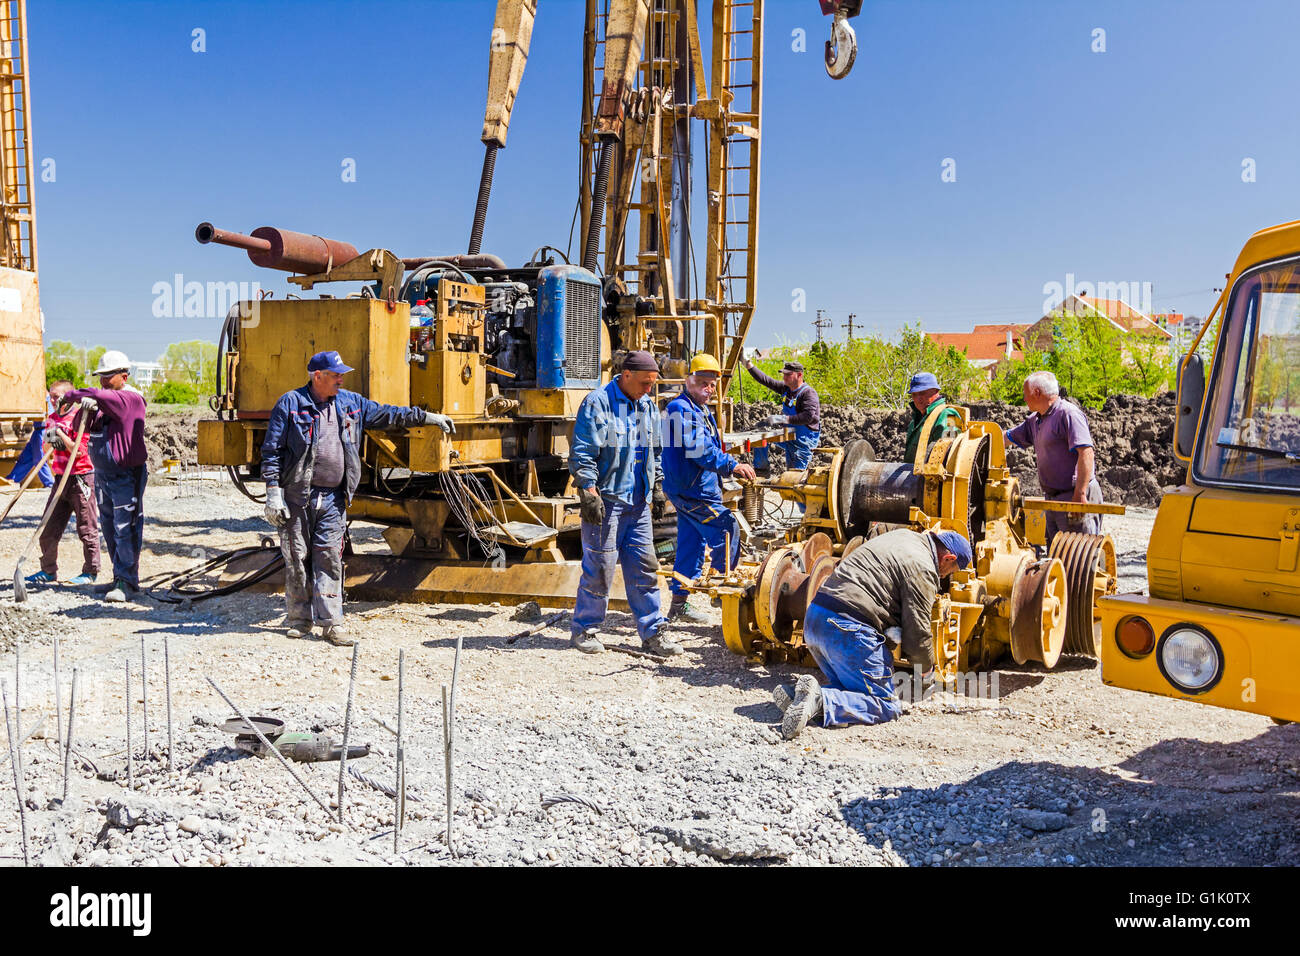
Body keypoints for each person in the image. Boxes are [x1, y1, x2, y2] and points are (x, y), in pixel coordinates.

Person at [261, 351, 455, 646]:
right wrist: (273, 494)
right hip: (297, 496)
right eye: (335, 374)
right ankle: (300, 619)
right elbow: (272, 450)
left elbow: (390, 414)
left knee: (329, 556)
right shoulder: (290, 404)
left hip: (334, 497)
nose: (341, 379)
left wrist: (428, 417)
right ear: (318, 377)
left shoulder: (351, 403)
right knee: (297, 557)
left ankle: (332, 623)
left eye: (341, 375)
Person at [776, 527, 972, 740]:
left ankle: (797, 696)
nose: (944, 576)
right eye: (950, 570)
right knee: (885, 704)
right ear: (948, 558)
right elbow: (918, 632)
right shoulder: (923, 567)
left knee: (853, 687)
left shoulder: (903, 535)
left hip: (815, 620)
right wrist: (926, 671)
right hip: (847, 629)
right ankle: (821, 700)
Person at [569, 350, 680, 657]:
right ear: (626, 375)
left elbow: (654, 452)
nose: (649, 390)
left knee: (645, 567)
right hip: (607, 501)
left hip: (637, 503)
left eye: (652, 384)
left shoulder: (646, 405)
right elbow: (583, 453)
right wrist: (589, 493)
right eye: (645, 383)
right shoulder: (598, 403)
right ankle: (585, 629)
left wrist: (656, 487)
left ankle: (653, 632)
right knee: (600, 567)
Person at [661, 353, 757, 622]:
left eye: (712, 384)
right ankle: (722, 590)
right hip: (690, 489)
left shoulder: (700, 408)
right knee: (727, 527)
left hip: (695, 487)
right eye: (702, 382)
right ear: (687, 380)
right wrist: (731, 465)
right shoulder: (680, 409)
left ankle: (678, 605)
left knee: (691, 542)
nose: (708, 388)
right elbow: (699, 450)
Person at [64, 351, 148, 603]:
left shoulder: (130, 399)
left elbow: (98, 395)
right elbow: (82, 425)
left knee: (126, 528)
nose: (103, 380)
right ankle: (118, 577)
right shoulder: (104, 403)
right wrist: (84, 410)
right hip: (103, 474)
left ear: (124, 376)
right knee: (110, 528)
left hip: (125, 475)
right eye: (100, 376)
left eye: (108, 376)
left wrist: (73, 395)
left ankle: (128, 582)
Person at [1005, 370, 1103, 545]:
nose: (1024, 398)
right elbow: (1006, 438)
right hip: (1052, 499)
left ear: (1037, 392)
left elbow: (1086, 453)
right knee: (1056, 554)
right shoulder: (1035, 420)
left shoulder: (1069, 414)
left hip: (1074, 496)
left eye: (1025, 393)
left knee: (1077, 555)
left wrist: (1080, 494)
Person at [23, 381, 99, 587]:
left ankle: (90, 572)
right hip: (60, 478)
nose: (53, 400)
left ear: (69, 397)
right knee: (48, 528)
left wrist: (62, 434)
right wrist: (53, 436)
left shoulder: (80, 418)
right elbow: (47, 446)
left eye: (57, 397)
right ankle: (48, 571)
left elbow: (80, 450)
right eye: (51, 397)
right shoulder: (53, 419)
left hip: (80, 478)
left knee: (86, 527)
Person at [739, 350, 821, 475]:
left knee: (794, 477)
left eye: (788, 374)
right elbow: (766, 380)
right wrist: (747, 364)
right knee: (761, 437)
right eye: (784, 374)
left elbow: (808, 416)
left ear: (799, 375)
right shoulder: (786, 389)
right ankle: (761, 472)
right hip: (789, 436)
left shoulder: (808, 393)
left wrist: (782, 419)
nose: (784, 377)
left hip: (803, 441)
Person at [903, 371, 963, 462]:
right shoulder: (916, 420)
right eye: (914, 394)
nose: (918, 398)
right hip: (912, 474)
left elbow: (950, 452)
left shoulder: (950, 415)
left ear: (936, 391)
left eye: (922, 393)